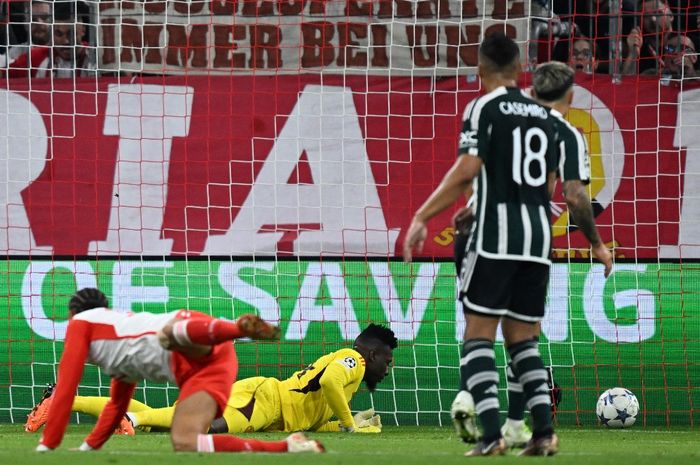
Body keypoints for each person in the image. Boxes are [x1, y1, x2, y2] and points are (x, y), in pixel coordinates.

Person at [403, 32, 612, 457]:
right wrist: (597, 244)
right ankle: (543, 434)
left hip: (495, 238)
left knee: (478, 338)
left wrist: (422, 217)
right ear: (522, 72)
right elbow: (574, 196)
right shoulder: (561, 127)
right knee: (523, 342)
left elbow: (467, 169)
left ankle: (492, 436)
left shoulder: (484, 107)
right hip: (538, 244)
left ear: (480, 71)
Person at [35, 287, 324, 454]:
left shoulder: (81, 325)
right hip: (214, 367)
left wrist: (48, 445)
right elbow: (117, 403)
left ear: (72, 314)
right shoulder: (119, 356)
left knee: (167, 335)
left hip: (194, 339)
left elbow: (67, 384)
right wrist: (89, 447)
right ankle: (287, 447)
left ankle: (236, 328)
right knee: (185, 441)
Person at [26, 324, 397, 436]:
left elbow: (315, 412)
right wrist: (349, 425)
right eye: (389, 360)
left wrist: (348, 423)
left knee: (168, 414)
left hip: (265, 400)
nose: (388, 367)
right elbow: (331, 382)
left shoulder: (348, 371)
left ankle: (63, 398)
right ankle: (130, 420)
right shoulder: (354, 361)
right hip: (265, 400)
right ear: (374, 353)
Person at [622, 0, 675, 75]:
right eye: (646, 16)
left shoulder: (687, 42)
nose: (653, 19)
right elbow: (625, 83)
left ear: (670, 15)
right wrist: (633, 54)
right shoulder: (641, 50)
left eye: (657, 13)